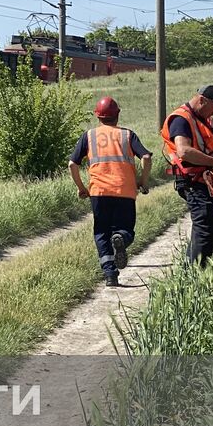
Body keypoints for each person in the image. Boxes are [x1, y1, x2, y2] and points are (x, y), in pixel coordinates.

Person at [69, 96, 153, 286]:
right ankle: (121, 237)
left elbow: (72, 164)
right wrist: (143, 181)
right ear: (118, 115)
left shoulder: (89, 136)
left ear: (97, 116)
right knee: (125, 229)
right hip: (125, 191)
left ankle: (110, 274)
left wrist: (81, 188)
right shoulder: (127, 135)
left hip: (99, 192)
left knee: (101, 232)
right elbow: (146, 157)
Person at [161, 85, 213, 267]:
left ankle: (200, 270)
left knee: (210, 225)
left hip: (204, 181)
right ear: (202, 100)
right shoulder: (181, 119)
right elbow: (184, 151)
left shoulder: (205, 120)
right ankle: (193, 272)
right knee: (204, 227)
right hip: (192, 182)